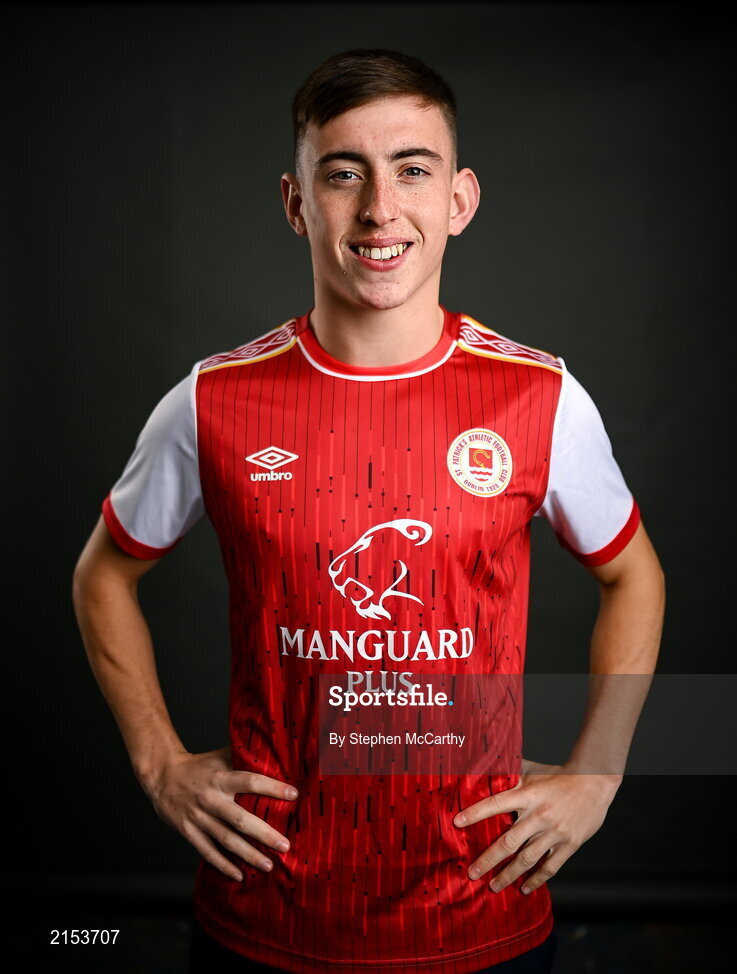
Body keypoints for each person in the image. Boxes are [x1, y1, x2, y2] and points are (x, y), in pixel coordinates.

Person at [72, 49, 665, 974]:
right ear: (295, 203)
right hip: (267, 912)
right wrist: (158, 763)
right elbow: (102, 574)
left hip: (478, 910)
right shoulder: (211, 401)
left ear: (459, 200)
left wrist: (597, 771)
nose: (380, 209)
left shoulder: (539, 397)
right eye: (343, 173)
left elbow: (633, 575)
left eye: (412, 170)